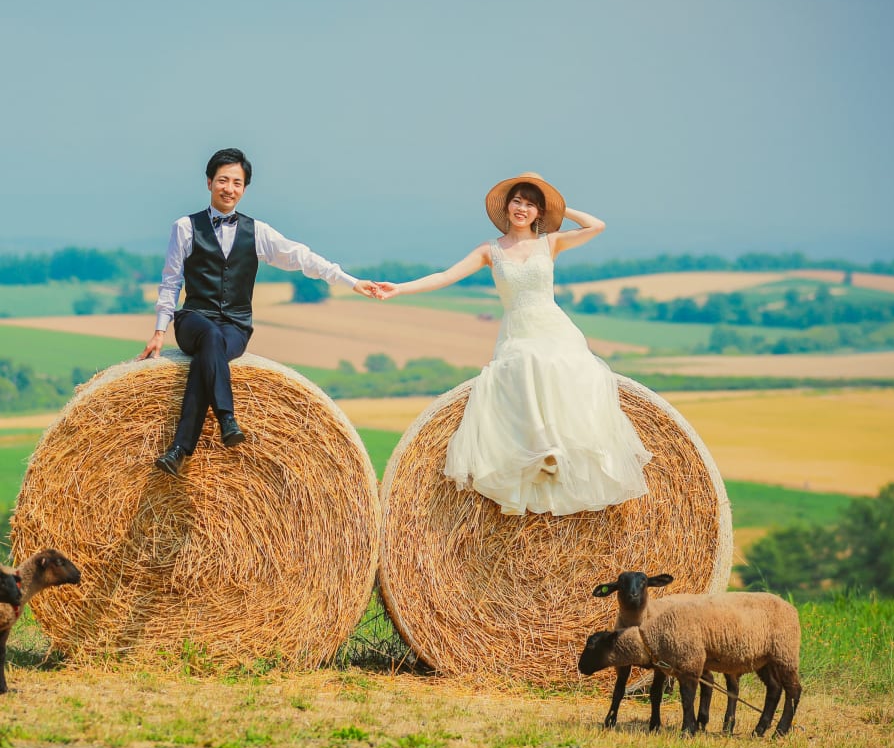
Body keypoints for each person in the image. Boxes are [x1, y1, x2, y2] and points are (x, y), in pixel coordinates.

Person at [377, 172, 652, 515]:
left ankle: (560, 449)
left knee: (560, 368)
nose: (523, 208)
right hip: (518, 331)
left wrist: (561, 209)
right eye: (518, 201)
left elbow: (597, 226)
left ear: (539, 213)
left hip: (554, 327)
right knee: (524, 365)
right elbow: (445, 276)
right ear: (507, 207)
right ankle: (541, 451)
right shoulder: (490, 250)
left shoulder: (550, 243)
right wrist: (399, 288)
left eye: (532, 204)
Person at [139, 147, 378, 478]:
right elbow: (170, 281)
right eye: (223, 180)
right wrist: (159, 332)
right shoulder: (185, 227)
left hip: (236, 326)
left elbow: (303, 258)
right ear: (209, 182)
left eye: (237, 182)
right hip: (194, 320)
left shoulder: (258, 232)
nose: (229, 188)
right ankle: (227, 417)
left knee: (214, 348)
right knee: (209, 336)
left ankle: (180, 450)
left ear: (244, 188)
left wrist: (350, 282)